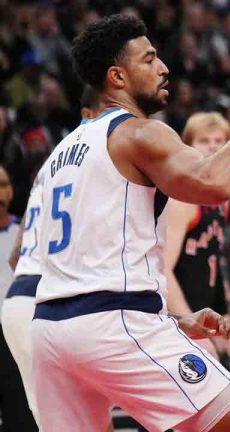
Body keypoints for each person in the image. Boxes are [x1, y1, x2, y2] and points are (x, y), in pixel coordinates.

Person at [31, 14, 230, 431]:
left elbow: (91, 259)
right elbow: (215, 183)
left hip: (51, 331)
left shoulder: (61, 152)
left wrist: (170, 319)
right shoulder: (138, 133)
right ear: (117, 77)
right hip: (114, 324)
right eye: (149, 59)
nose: (164, 68)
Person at [1, 86, 105, 430]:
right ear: (88, 115)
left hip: (20, 299)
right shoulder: (99, 157)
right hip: (56, 301)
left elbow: (16, 255)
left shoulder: (52, 163)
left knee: (56, 420)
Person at [164, 112, 230, 383]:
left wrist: (229, 339)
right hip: (172, 320)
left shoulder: (220, 200)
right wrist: (188, 325)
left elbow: (213, 271)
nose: (213, 147)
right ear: (188, 147)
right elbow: (161, 269)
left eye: (219, 140)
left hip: (199, 314)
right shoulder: (182, 198)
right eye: (204, 140)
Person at [0, 165, 34, 431]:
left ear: (11, 191)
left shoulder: (28, 233)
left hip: (15, 333)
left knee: (21, 416)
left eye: (3, 185)